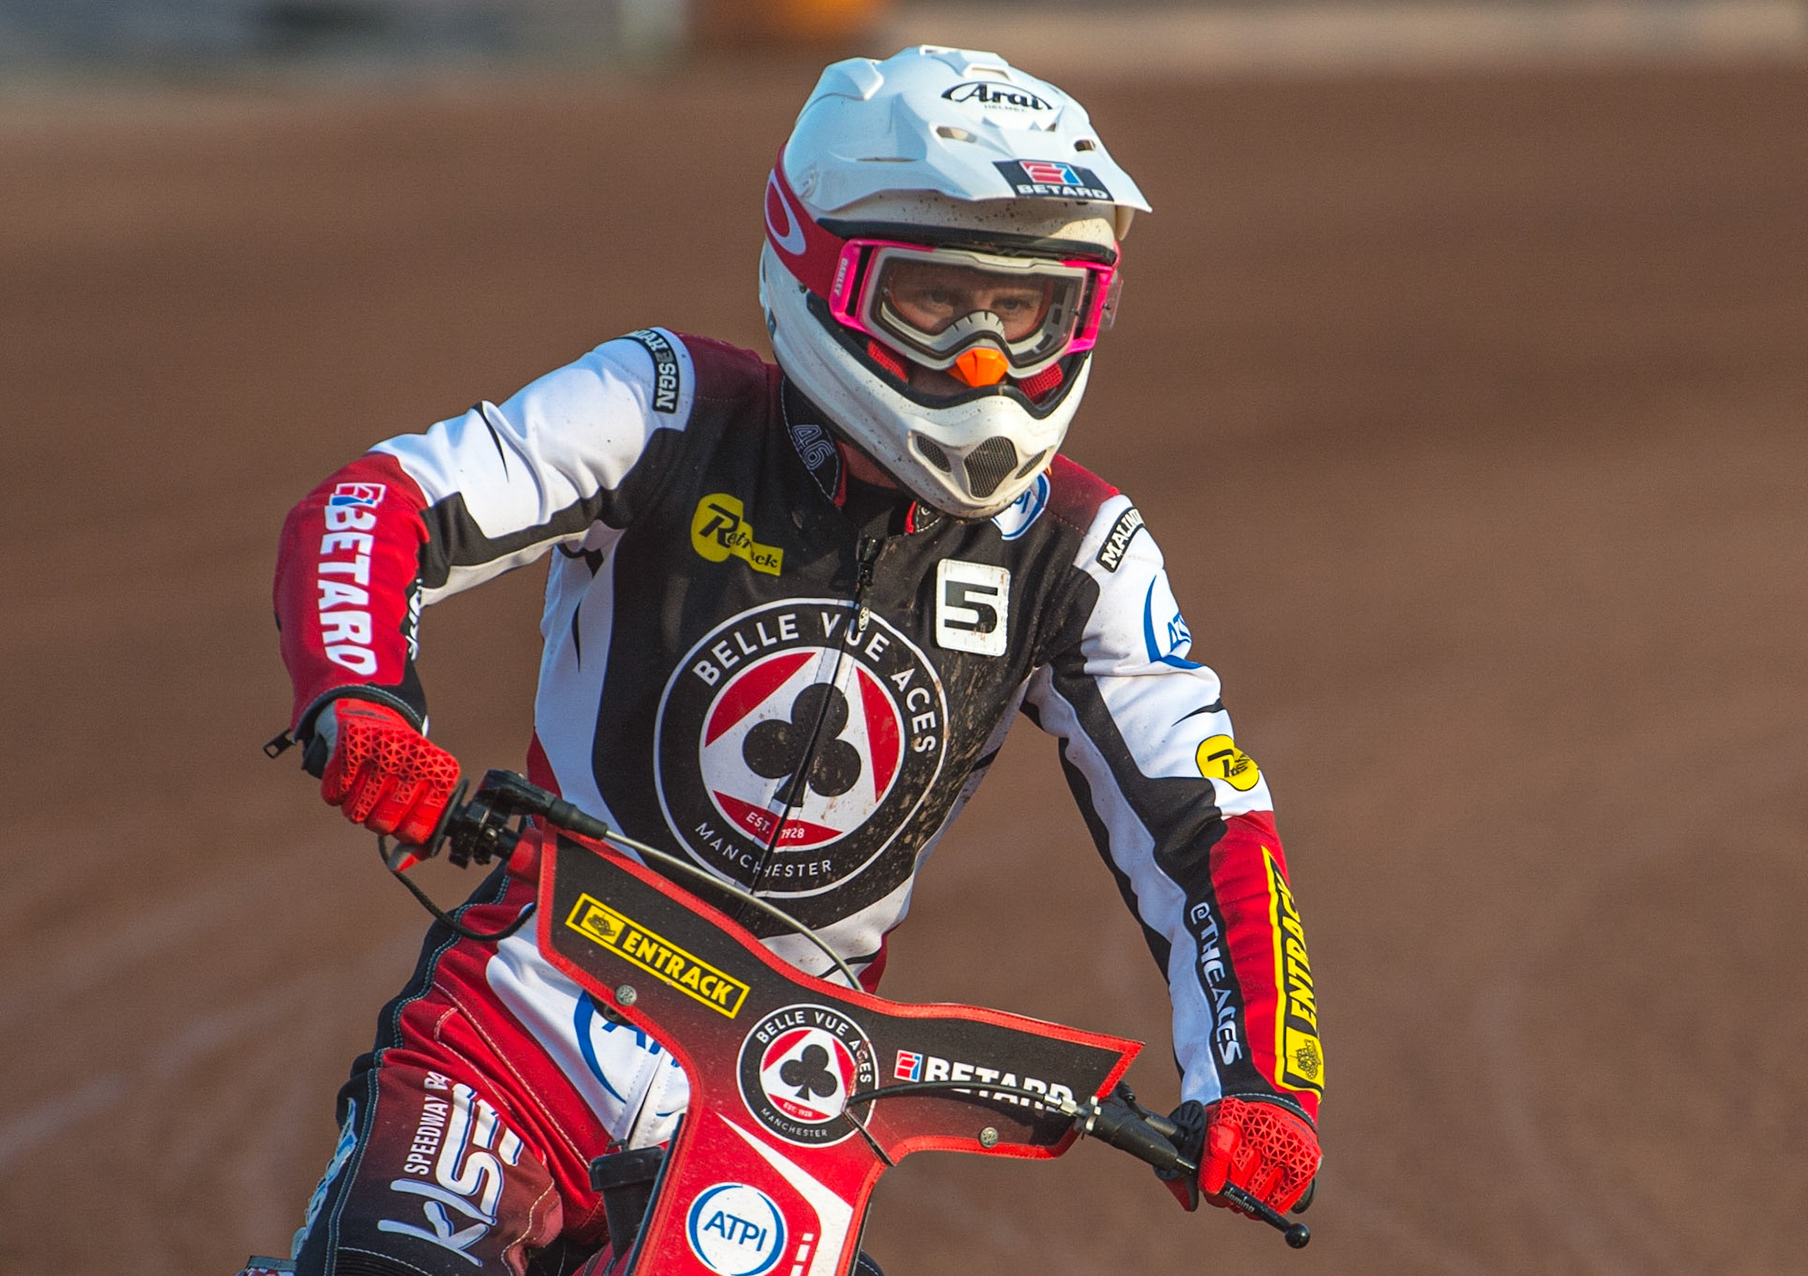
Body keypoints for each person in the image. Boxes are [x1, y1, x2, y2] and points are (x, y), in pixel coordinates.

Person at [269, 45, 1324, 1276]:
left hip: (783, 1104)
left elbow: (1209, 822)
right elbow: (380, 501)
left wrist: (1265, 1082)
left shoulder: (1083, 549)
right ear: (821, 272)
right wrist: (361, 702)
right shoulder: (669, 403)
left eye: (1028, 312)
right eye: (937, 302)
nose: (986, 360)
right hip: (523, 1031)